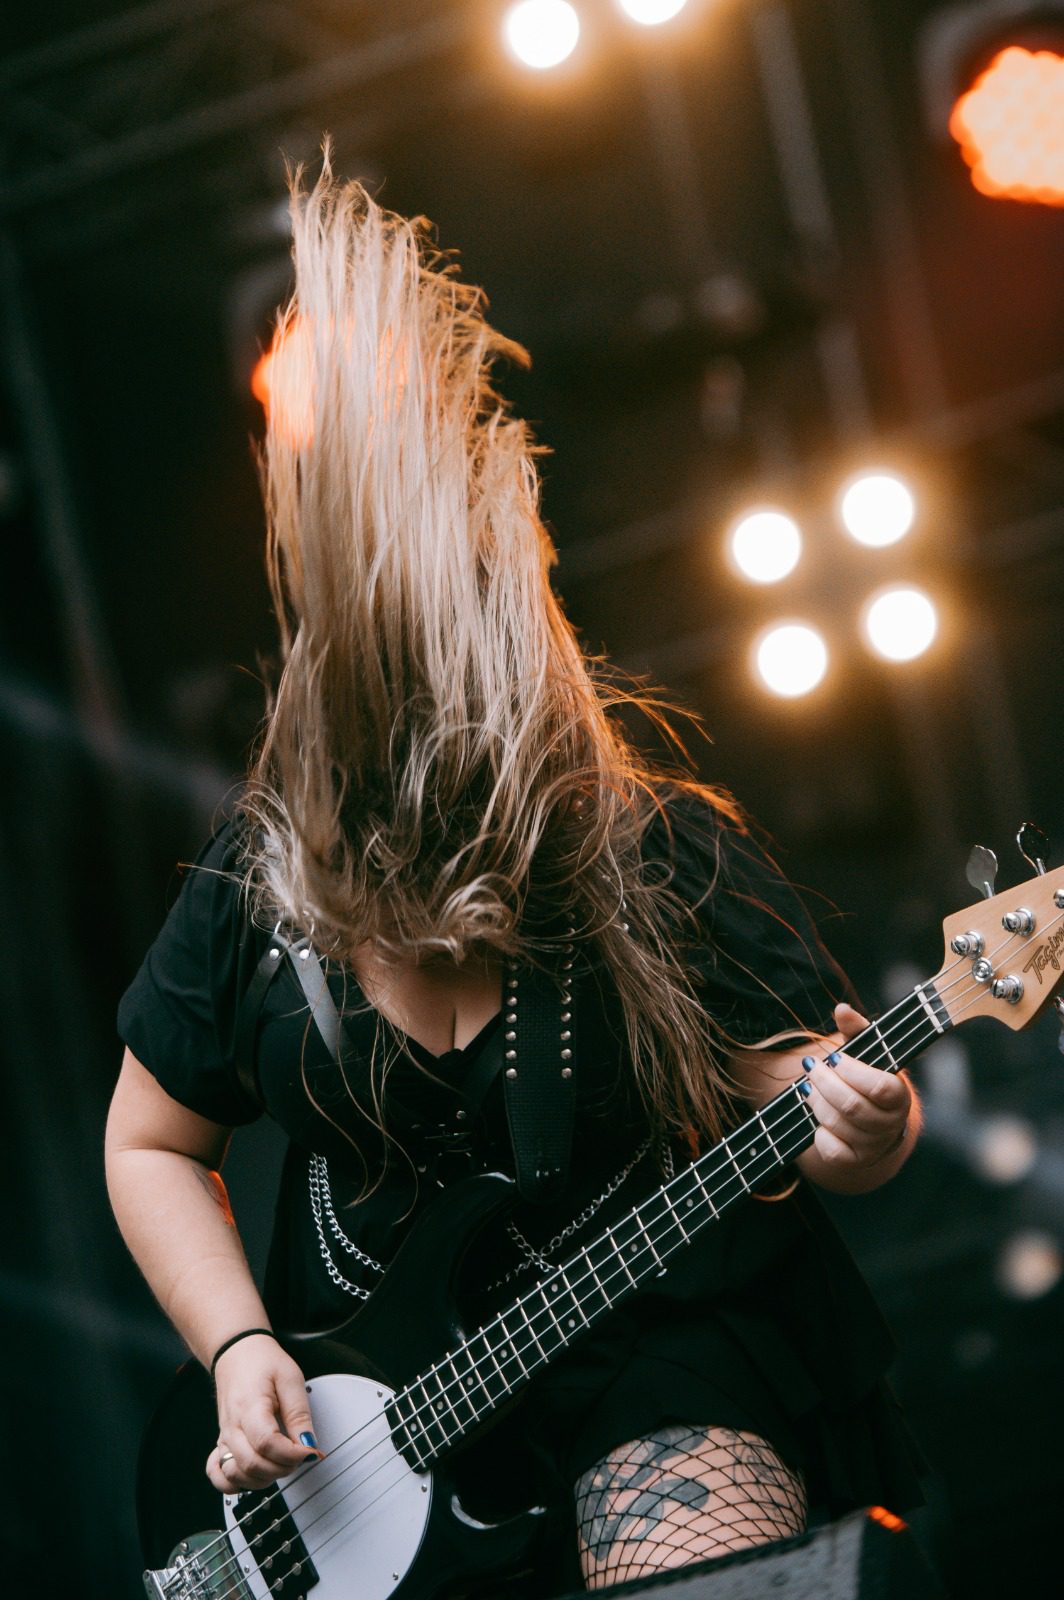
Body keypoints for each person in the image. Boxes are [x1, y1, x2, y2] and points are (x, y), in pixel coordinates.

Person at [105, 159, 923, 1594]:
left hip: (647, 1345)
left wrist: (863, 1121)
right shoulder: (259, 873)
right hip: (370, 1442)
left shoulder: (641, 845)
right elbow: (150, 1141)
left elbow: (816, 1100)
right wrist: (238, 1348)